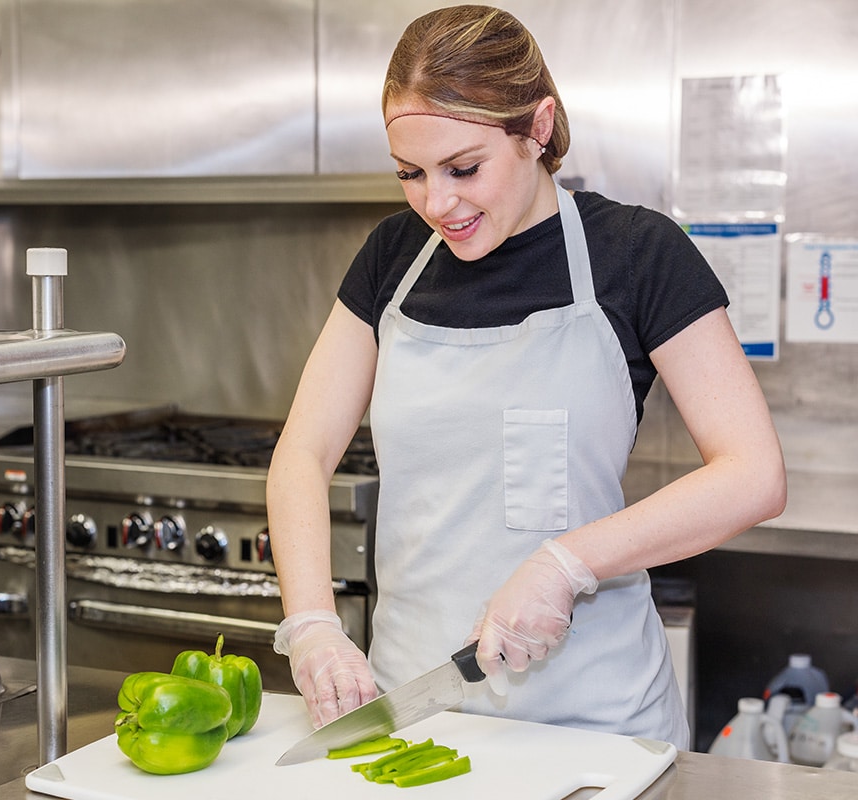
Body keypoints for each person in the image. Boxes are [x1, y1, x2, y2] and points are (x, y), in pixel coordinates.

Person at [267, 5, 786, 749]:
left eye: (464, 168)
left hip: (597, 727)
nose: (436, 203)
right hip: (416, 712)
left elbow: (754, 474)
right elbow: (303, 453)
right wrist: (312, 624)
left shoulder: (637, 254)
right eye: (411, 174)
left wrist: (568, 562)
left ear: (537, 128)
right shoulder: (393, 258)